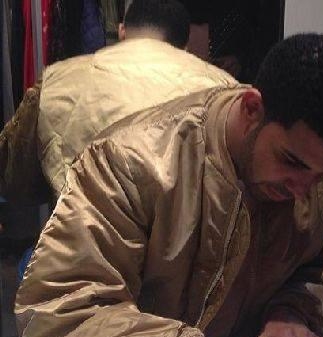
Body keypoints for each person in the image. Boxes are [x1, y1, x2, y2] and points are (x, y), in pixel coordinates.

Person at [16, 33, 323, 337]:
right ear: (252, 109)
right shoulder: (131, 162)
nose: (302, 189)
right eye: (291, 162)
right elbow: (59, 315)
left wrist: (292, 313)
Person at [0, 0, 235, 204]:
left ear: (122, 31)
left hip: (83, 236)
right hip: (185, 240)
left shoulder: (58, 79)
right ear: (185, 45)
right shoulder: (225, 89)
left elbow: (15, 178)